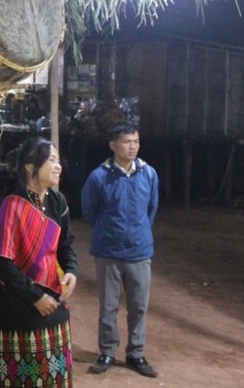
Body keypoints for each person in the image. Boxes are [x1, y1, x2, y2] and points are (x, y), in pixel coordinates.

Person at [0, 136, 79, 387]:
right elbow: (1, 262)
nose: (59, 166)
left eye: (59, 161)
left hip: (54, 303)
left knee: (55, 376)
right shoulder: (12, 205)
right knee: (21, 379)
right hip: (18, 306)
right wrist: (35, 297)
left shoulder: (59, 202)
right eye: (52, 160)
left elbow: (66, 246)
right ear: (30, 167)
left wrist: (71, 271)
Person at [81, 123, 159, 378]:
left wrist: (138, 232)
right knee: (109, 306)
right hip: (108, 252)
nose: (133, 146)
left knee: (138, 306)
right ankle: (107, 352)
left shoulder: (148, 174)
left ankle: (136, 354)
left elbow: (152, 209)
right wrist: (109, 231)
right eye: (126, 142)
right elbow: (89, 211)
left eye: (136, 141)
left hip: (139, 251)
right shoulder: (99, 177)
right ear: (113, 145)